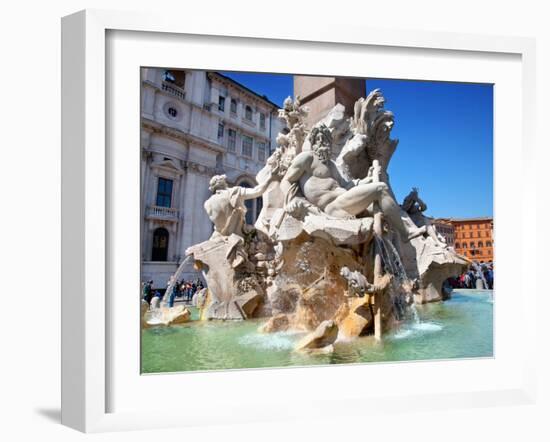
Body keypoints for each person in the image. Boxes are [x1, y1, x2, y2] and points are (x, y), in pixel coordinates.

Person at [281, 124, 425, 242]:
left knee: (384, 212)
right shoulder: (306, 158)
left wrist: (367, 179)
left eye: (325, 139)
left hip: (344, 200)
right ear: (312, 142)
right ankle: (406, 233)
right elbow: (286, 180)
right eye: (318, 139)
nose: (321, 142)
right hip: (332, 207)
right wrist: (291, 201)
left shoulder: (331, 165)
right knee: (381, 188)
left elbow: (346, 185)